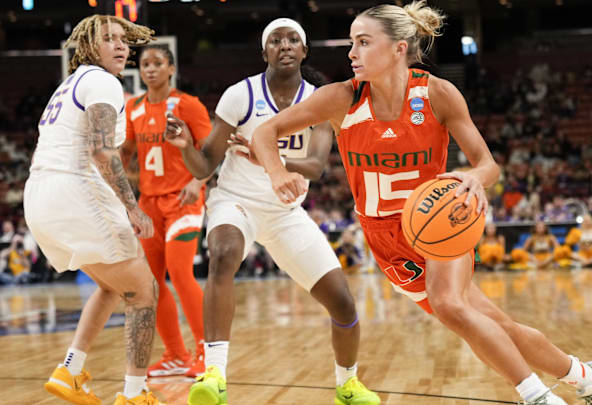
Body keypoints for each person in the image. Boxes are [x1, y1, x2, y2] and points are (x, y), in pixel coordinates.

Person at [249, 3, 592, 404]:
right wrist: (277, 172)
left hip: (441, 222)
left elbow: (488, 165)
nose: (351, 53)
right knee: (495, 324)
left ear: (398, 48)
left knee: (449, 305)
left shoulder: (437, 94)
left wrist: (473, 178)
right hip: (385, 240)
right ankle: (587, 378)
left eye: (362, 42)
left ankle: (536, 397)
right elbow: (265, 133)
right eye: (351, 43)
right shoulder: (340, 99)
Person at [164, 18, 379, 405]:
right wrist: (184, 146)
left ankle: (347, 384)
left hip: (285, 212)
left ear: (304, 50)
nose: (285, 45)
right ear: (265, 52)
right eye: (276, 40)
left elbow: (315, 167)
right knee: (224, 255)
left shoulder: (321, 99)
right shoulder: (240, 95)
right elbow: (205, 166)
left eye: (293, 39)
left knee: (343, 303)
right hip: (236, 201)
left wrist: (266, 154)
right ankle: (214, 373)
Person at [23, 15, 163, 405]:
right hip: (75, 189)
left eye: (123, 39)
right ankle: (135, 395)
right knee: (144, 293)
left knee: (111, 286)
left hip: (39, 195)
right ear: (87, 47)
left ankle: (70, 370)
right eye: (108, 39)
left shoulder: (69, 85)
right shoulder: (102, 81)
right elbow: (102, 150)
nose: (120, 46)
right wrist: (133, 209)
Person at [122, 45, 211, 378]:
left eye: (158, 63)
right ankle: (176, 354)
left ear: (171, 68)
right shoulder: (132, 108)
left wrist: (198, 180)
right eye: (145, 63)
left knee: (180, 270)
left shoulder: (187, 105)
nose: (150, 69)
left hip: (183, 200)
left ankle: (207, 351)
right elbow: (126, 152)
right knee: (150, 285)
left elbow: (211, 152)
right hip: (148, 206)